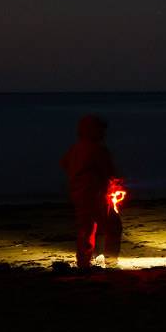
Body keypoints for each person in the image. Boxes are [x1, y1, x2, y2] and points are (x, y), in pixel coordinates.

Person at [59, 114, 123, 271]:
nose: (103, 133)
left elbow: (64, 163)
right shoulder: (97, 149)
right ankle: (111, 262)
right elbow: (109, 172)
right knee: (113, 226)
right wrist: (116, 184)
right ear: (92, 130)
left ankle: (83, 263)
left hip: (79, 194)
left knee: (86, 229)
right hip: (96, 195)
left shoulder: (75, 149)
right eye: (100, 130)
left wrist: (77, 178)